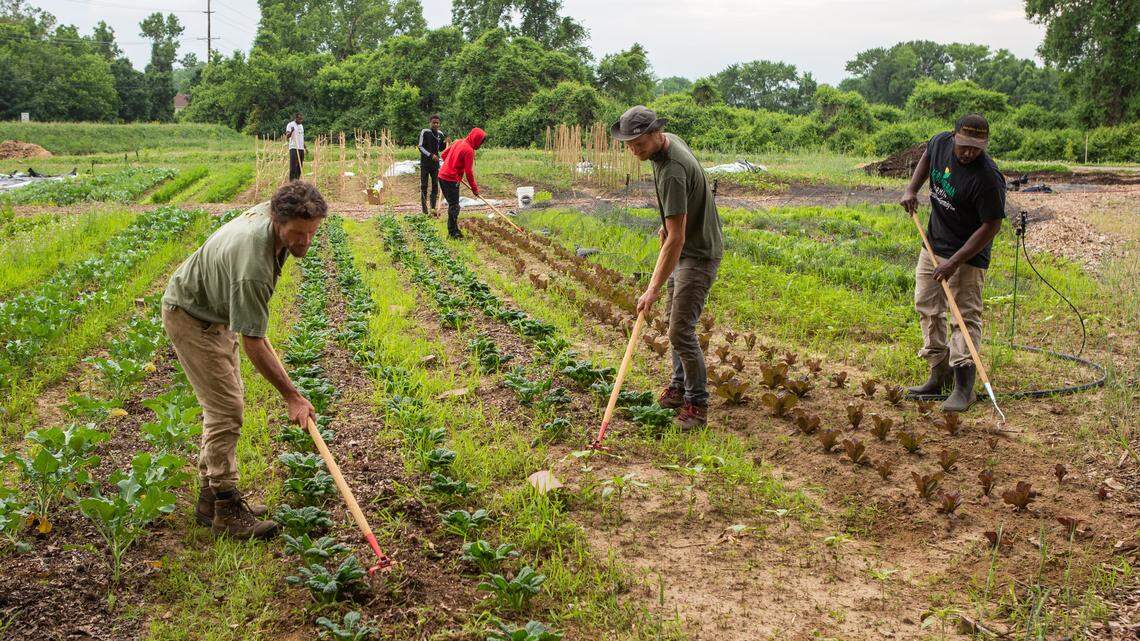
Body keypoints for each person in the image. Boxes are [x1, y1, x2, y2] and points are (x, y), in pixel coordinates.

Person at [162, 181, 326, 539]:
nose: (305, 242)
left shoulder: (273, 223)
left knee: (227, 401)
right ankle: (225, 509)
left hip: (212, 310)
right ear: (277, 220)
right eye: (298, 234)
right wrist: (292, 396)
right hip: (191, 316)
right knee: (226, 408)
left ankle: (209, 501)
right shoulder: (253, 265)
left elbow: (252, 333)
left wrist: (292, 392)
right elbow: (254, 342)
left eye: (312, 233)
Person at [613, 105, 724, 429]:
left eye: (639, 143)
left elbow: (676, 239)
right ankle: (678, 388)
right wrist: (667, 222)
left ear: (654, 133)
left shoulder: (673, 169)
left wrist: (651, 290)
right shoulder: (665, 146)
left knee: (680, 330)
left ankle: (697, 405)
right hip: (686, 245)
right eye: (629, 144)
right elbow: (674, 227)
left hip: (698, 252)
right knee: (674, 322)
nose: (634, 150)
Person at [900, 113, 1005, 412]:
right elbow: (926, 157)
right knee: (927, 306)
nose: (969, 152)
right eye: (964, 146)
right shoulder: (940, 143)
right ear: (954, 137)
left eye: (976, 147)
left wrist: (955, 262)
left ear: (984, 145)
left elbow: (991, 226)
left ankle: (963, 387)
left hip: (968, 255)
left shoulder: (988, 178)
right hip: (934, 243)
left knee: (964, 317)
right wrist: (911, 189)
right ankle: (939, 372)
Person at [438, 127, 486, 239]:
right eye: (480, 142)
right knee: (454, 206)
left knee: (452, 205)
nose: (479, 146)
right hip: (450, 179)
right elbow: (469, 172)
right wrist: (474, 189)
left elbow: (443, 155)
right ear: (476, 139)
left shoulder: (458, 141)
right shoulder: (469, 150)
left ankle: (453, 230)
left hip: (442, 175)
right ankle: (453, 233)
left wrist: (451, 166)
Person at [418, 115, 447, 216]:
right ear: (430, 123)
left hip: (435, 164)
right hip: (425, 164)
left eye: (437, 123)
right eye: (433, 123)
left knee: (435, 185)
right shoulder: (425, 132)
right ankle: (424, 210)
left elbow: (441, 148)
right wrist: (430, 155)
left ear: (439, 124)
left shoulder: (440, 134)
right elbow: (420, 147)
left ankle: (433, 208)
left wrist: (446, 142)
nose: (435, 125)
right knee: (424, 186)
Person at [285, 113, 305, 181]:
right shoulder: (290, 124)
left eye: (301, 119)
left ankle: (297, 181)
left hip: (301, 148)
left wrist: (305, 147)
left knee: (299, 167)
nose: (301, 120)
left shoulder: (301, 126)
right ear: (296, 118)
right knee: (293, 166)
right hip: (294, 147)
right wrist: (292, 131)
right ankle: (291, 182)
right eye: (299, 119)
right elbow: (287, 136)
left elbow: (301, 137)